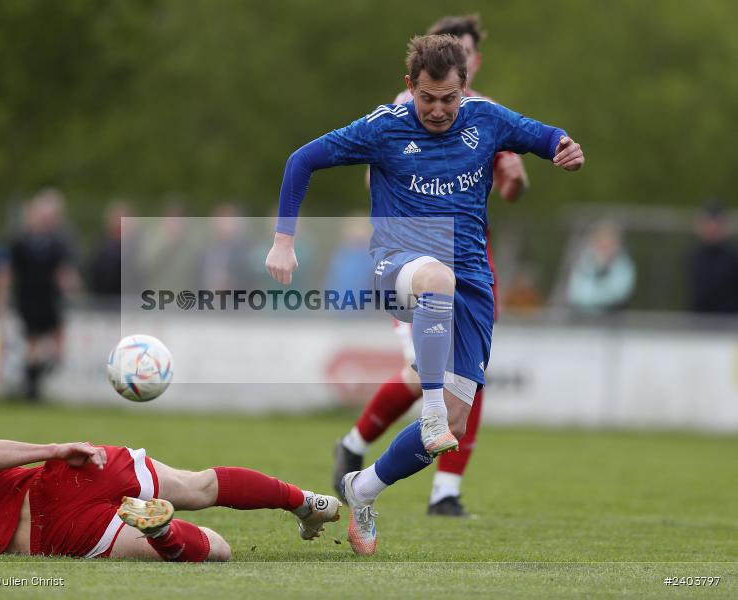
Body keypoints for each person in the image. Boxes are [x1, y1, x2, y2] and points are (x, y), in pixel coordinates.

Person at [265, 34, 583, 554]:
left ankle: (361, 490)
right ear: (410, 86)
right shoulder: (384, 127)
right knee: (437, 287)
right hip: (401, 265)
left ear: (464, 90)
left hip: (473, 283)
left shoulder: (487, 119)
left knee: (455, 425)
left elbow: (544, 136)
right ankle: (429, 407)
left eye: (449, 99)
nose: (437, 110)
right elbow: (302, 159)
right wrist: (283, 241)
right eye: (427, 97)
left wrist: (563, 148)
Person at [333, 14, 529, 517]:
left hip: (473, 262)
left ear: (473, 63)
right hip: (415, 258)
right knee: (428, 374)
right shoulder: (406, 111)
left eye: (468, 54)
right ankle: (360, 446)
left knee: (464, 376)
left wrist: (511, 174)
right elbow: (378, 168)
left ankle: (440, 488)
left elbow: (512, 183)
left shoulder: (488, 116)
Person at [0, 434, 341, 562]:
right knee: (200, 485)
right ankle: (305, 501)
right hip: (69, 476)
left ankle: (162, 532)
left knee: (216, 548)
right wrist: (52, 449)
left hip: (60, 536)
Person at [0, 189, 82, 401]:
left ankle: (35, 379)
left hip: (51, 301)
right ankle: (30, 387)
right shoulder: (19, 240)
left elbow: (66, 271)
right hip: (28, 300)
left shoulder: (59, 241)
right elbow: (4, 270)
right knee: (31, 344)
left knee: (55, 348)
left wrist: (71, 286)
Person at [566, 220, 635, 314]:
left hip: (612, 316)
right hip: (581, 315)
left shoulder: (623, 264)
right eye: (601, 242)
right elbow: (577, 293)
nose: (604, 247)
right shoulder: (582, 261)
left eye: (608, 243)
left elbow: (619, 293)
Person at [686, 203, 738, 314]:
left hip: (728, 321)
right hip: (699, 321)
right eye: (708, 223)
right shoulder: (693, 256)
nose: (712, 228)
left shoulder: (733, 257)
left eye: (717, 224)